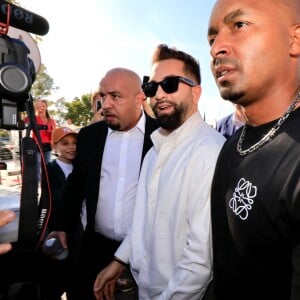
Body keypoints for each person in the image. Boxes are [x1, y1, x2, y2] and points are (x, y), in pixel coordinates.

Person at [93, 44, 225, 300]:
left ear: (195, 93)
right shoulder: (154, 152)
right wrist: (119, 261)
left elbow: (200, 260)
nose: (160, 94)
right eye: (153, 87)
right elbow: (141, 222)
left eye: (171, 84)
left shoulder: (210, 151)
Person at [207, 0, 300, 299]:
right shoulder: (233, 144)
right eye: (212, 38)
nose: (216, 48)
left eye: (239, 25)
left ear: (295, 40)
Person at [47, 67, 158, 300]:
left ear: (139, 99)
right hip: (93, 249)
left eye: (115, 96)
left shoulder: (162, 136)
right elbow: (75, 187)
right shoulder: (90, 136)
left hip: (143, 254)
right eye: (103, 95)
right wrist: (61, 226)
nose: (105, 104)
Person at [41, 126, 80, 300]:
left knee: (75, 275)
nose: (71, 147)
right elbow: (54, 198)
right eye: (64, 143)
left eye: (74, 143)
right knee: (57, 275)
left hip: (78, 229)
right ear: (54, 146)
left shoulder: (80, 165)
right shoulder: (50, 169)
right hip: (59, 228)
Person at [33, 99, 56, 164]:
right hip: (36, 144)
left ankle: (46, 174)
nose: (42, 108)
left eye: (43, 106)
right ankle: (38, 174)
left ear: (46, 106)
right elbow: (25, 120)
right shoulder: (34, 118)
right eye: (39, 106)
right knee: (37, 163)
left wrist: (53, 144)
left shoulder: (51, 120)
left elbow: (53, 133)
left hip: (47, 145)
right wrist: (35, 109)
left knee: (47, 164)